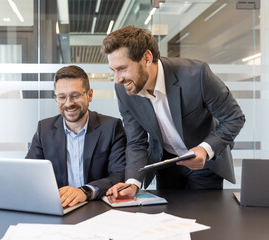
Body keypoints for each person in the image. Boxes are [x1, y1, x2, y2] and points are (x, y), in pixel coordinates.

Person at [102, 26, 245, 201]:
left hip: (204, 163)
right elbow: (136, 142)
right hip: (167, 163)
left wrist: (204, 149)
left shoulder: (196, 74)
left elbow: (234, 117)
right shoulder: (124, 90)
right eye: (113, 70)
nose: (118, 79)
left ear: (146, 58)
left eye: (122, 68)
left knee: (207, 218)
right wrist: (132, 182)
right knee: (170, 219)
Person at [25, 65, 126, 207]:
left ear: (89, 95)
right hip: (60, 207)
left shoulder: (111, 127)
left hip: (97, 208)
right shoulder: (44, 129)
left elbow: (119, 174)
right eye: (62, 97)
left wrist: (85, 192)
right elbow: (29, 172)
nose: (69, 103)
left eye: (75, 96)